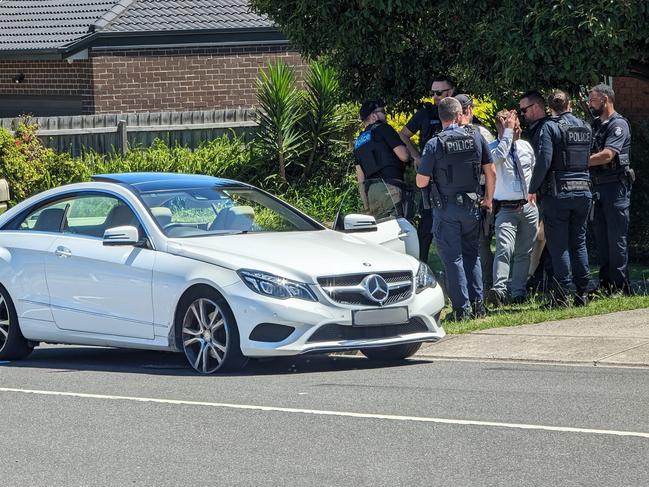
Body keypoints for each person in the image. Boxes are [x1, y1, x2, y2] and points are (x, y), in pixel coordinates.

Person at [416, 97, 496, 321]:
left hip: (447, 208)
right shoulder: (477, 138)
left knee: (453, 258)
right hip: (473, 206)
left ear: (440, 116)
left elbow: (421, 182)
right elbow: (490, 172)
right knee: (473, 256)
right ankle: (478, 306)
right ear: (459, 114)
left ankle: (462, 309)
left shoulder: (435, 143)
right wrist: (488, 199)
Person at [527, 90, 592, 306]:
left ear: (550, 107)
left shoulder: (550, 127)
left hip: (559, 192)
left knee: (559, 245)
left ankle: (563, 293)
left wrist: (533, 187)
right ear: (570, 104)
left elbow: (544, 160)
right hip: (583, 189)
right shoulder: (585, 126)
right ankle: (583, 291)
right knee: (579, 242)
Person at [399, 77, 455, 262]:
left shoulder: (460, 113)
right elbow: (404, 134)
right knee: (426, 224)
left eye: (439, 93)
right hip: (430, 179)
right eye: (432, 93)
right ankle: (422, 265)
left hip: (454, 179)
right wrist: (417, 156)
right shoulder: (426, 113)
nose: (435, 97)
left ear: (450, 91)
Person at [485, 109, 538, 306]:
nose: (516, 130)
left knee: (525, 251)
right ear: (500, 127)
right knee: (504, 249)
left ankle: (518, 292)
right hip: (505, 208)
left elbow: (532, 169)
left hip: (527, 206)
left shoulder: (525, 146)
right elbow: (498, 158)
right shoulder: (491, 148)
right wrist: (506, 134)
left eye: (516, 127)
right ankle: (499, 291)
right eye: (511, 127)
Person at [588, 83, 634, 295]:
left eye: (593, 100)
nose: (590, 104)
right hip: (598, 188)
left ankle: (620, 285)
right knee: (602, 238)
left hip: (615, 188)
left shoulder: (618, 125)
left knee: (616, 239)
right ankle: (605, 284)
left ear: (605, 100)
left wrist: (579, 162)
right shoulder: (597, 124)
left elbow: (608, 155)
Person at [455, 93, 496, 290]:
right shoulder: (481, 134)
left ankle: (466, 289)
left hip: (453, 198)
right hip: (478, 194)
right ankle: (485, 287)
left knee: (459, 248)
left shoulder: (445, 135)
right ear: (470, 110)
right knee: (480, 244)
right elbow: (492, 169)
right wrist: (489, 198)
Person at [519, 90, 554, 293]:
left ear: (536, 107)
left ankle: (539, 278)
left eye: (525, 110)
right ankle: (537, 278)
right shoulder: (535, 129)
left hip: (542, 191)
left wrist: (534, 189)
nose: (523, 114)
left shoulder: (544, 129)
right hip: (538, 191)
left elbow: (543, 162)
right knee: (538, 237)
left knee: (542, 236)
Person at [354, 100, 411, 219]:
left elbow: (360, 180)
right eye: (383, 112)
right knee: (397, 229)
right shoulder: (384, 128)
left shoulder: (358, 142)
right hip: (390, 188)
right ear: (373, 116)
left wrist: (366, 206)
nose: (386, 115)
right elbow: (404, 156)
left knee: (382, 230)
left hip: (372, 192)